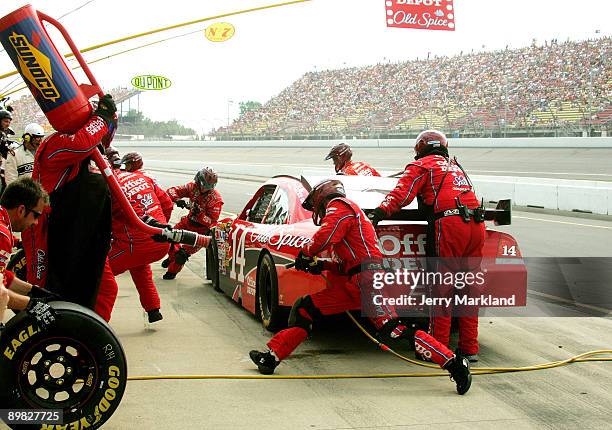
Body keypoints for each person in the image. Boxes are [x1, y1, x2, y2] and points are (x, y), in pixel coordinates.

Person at [249, 179, 471, 394]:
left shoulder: (340, 206)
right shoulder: (349, 213)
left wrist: (306, 253)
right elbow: (349, 264)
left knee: (394, 330)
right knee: (305, 308)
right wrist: (322, 265)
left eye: (315, 205)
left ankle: (454, 363)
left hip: (367, 281)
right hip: (357, 282)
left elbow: (325, 237)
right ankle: (271, 357)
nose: (315, 211)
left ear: (321, 198)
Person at [368, 130, 485, 362]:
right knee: (468, 290)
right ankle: (469, 349)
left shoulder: (422, 165)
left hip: (451, 226)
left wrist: (379, 212)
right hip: (475, 223)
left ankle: (437, 349)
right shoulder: (456, 167)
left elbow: (401, 194)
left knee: (441, 289)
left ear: (420, 148)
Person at [22, 94, 119, 322]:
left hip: (80, 235)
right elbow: (81, 143)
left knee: (106, 289)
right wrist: (102, 118)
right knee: (41, 286)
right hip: (43, 227)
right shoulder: (55, 143)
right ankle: (33, 332)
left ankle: (90, 336)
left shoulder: (92, 156)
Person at [107, 150, 173, 323]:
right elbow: (166, 203)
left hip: (135, 244)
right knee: (140, 267)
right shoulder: (145, 177)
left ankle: (96, 320)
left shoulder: (107, 184)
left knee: (97, 271)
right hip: (161, 241)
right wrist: (162, 226)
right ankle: (153, 310)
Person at [0, 178, 56, 329]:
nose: (36, 223)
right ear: (21, 210)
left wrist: (33, 290)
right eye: (36, 215)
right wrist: (32, 305)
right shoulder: (2, 236)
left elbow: (2, 276)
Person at [161, 167, 223, 280]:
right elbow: (171, 191)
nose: (204, 189)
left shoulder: (216, 200)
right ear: (198, 180)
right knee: (167, 237)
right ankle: (171, 258)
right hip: (187, 222)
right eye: (203, 185)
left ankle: (172, 272)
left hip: (202, 231)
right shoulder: (191, 187)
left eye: (209, 186)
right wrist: (176, 199)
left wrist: (200, 214)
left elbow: (212, 223)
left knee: (182, 255)